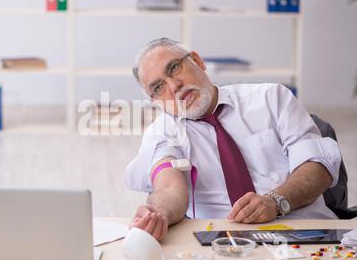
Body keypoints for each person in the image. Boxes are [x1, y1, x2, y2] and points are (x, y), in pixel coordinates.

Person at [125, 38, 342, 242]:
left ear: (198, 61)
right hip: (222, 244)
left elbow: (317, 167)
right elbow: (168, 187)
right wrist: (158, 212)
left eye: (173, 68)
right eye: (158, 87)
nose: (174, 86)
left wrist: (275, 201)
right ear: (155, 101)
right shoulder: (163, 131)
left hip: (306, 232)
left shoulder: (272, 98)